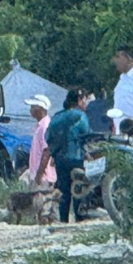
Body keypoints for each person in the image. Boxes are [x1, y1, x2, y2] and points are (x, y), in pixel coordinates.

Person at [42, 89, 91, 223]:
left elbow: (48, 137)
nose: (86, 103)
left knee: (63, 188)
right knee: (78, 186)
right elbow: (87, 136)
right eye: (85, 99)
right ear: (79, 100)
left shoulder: (57, 117)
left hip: (60, 159)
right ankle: (79, 218)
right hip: (77, 157)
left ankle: (63, 219)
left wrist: (55, 152)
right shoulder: (80, 116)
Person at [25, 93, 56, 187]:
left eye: (33, 107)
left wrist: (39, 175)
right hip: (38, 176)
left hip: (44, 178)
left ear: (41, 108)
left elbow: (46, 152)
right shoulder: (40, 126)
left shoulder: (45, 127)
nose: (30, 110)